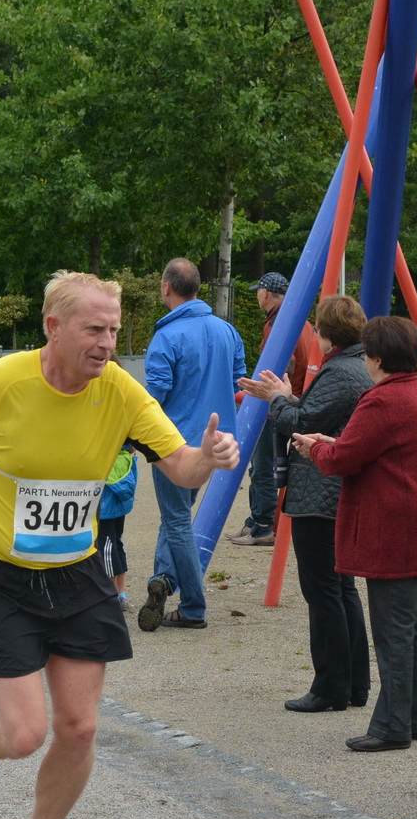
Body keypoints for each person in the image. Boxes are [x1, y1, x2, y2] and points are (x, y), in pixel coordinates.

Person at [0, 270, 240, 819]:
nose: (107, 343)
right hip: (1, 578)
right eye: (94, 329)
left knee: (81, 726)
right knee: (26, 732)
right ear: (53, 327)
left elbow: (180, 465)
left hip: (79, 575)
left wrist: (211, 456)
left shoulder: (119, 391)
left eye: (115, 330)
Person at [294, 316, 417, 752]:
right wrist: (332, 443)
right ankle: (415, 717)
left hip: (392, 529)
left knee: (394, 630)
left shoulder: (383, 399)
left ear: (377, 358)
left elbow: (346, 457)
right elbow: (361, 446)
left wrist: (316, 447)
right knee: (416, 626)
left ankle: (392, 725)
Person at [239, 294, 372, 712]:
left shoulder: (340, 370)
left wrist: (279, 399)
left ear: (327, 331)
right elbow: (316, 413)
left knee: (322, 592)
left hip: (320, 492)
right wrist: (281, 397)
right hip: (335, 490)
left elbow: (304, 421)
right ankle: (353, 683)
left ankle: (330, 685)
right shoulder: (356, 366)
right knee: (341, 590)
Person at [136, 258, 245, 632]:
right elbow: (238, 383)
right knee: (177, 515)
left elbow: (154, 395)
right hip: (215, 444)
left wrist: (128, 430)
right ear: (198, 288)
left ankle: (193, 606)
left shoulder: (166, 336)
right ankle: (164, 579)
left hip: (174, 444)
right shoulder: (227, 331)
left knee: (177, 519)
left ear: (166, 288)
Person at [232, 271, 299, 546]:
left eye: (258, 291)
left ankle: (263, 526)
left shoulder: (278, 323)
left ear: (266, 293)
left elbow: (289, 362)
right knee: (262, 465)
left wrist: (270, 392)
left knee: (263, 466)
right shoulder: (291, 316)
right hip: (284, 401)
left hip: (275, 405)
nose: (257, 295)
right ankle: (255, 520)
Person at [97, 447, 139, 607]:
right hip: (119, 506)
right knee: (117, 543)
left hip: (105, 507)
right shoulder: (126, 456)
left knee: (106, 548)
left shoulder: (105, 455)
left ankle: (109, 594)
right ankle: (120, 592)